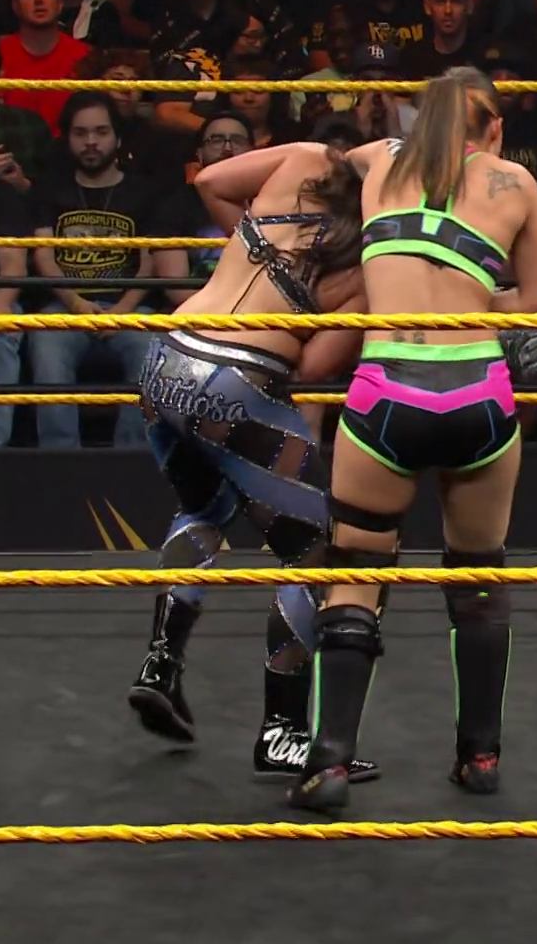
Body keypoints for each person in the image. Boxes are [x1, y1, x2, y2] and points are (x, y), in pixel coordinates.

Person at [288, 66, 537, 812]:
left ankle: (329, 763)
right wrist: (472, 302)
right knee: (479, 577)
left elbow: (312, 163)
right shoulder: (514, 182)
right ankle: (480, 757)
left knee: (355, 571)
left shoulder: (380, 161)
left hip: (387, 390)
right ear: (493, 127)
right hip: (476, 391)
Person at [127, 139, 383, 782]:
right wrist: (324, 306)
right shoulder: (371, 260)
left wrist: (249, 247)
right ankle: (283, 732)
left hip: (166, 359)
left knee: (204, 506)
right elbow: (314, 367)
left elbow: (209, 180)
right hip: (237, 381)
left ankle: (161, 664)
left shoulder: (303, 161)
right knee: (314, 550)